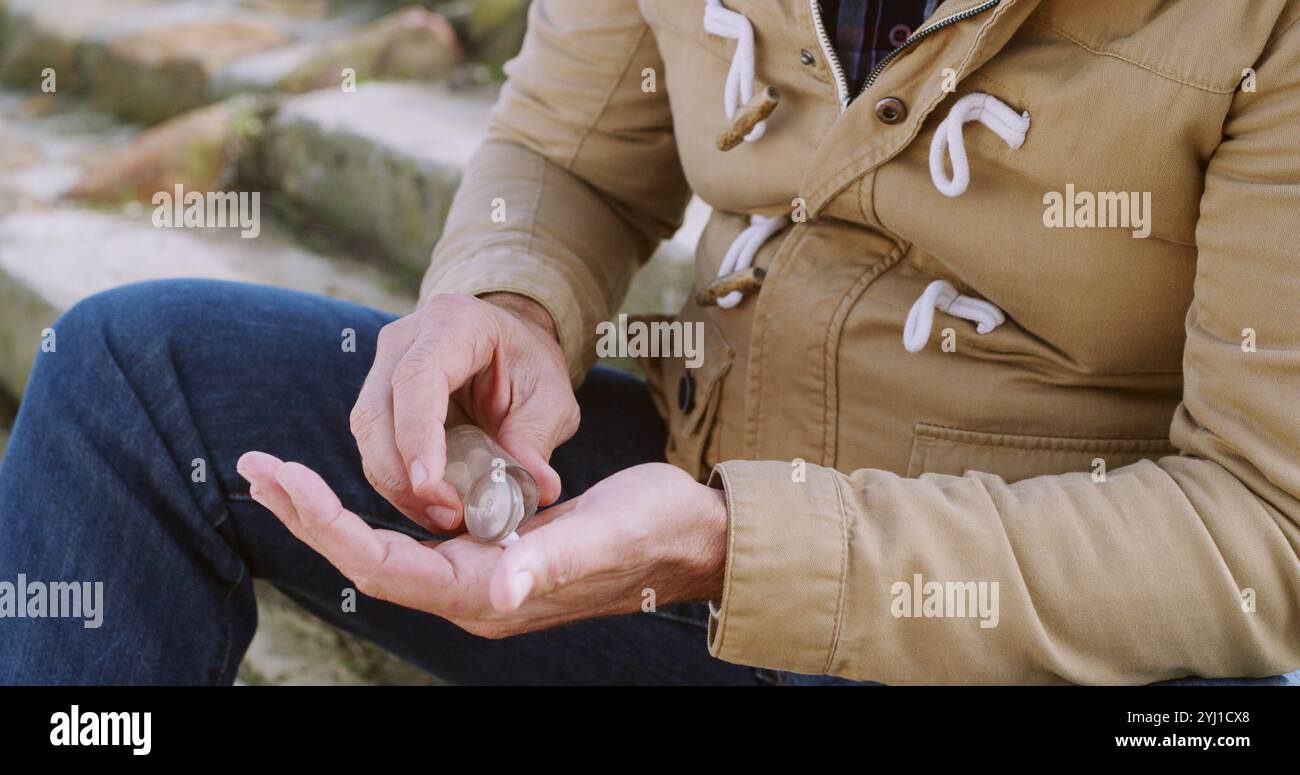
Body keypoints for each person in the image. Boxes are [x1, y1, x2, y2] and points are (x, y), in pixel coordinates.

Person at [2, 0, 1298, 685]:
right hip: (678, 506)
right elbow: (566, 153)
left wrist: (745, 548)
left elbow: (1264, 537)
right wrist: (503, 300)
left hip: (1036, 639)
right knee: (129, 375)